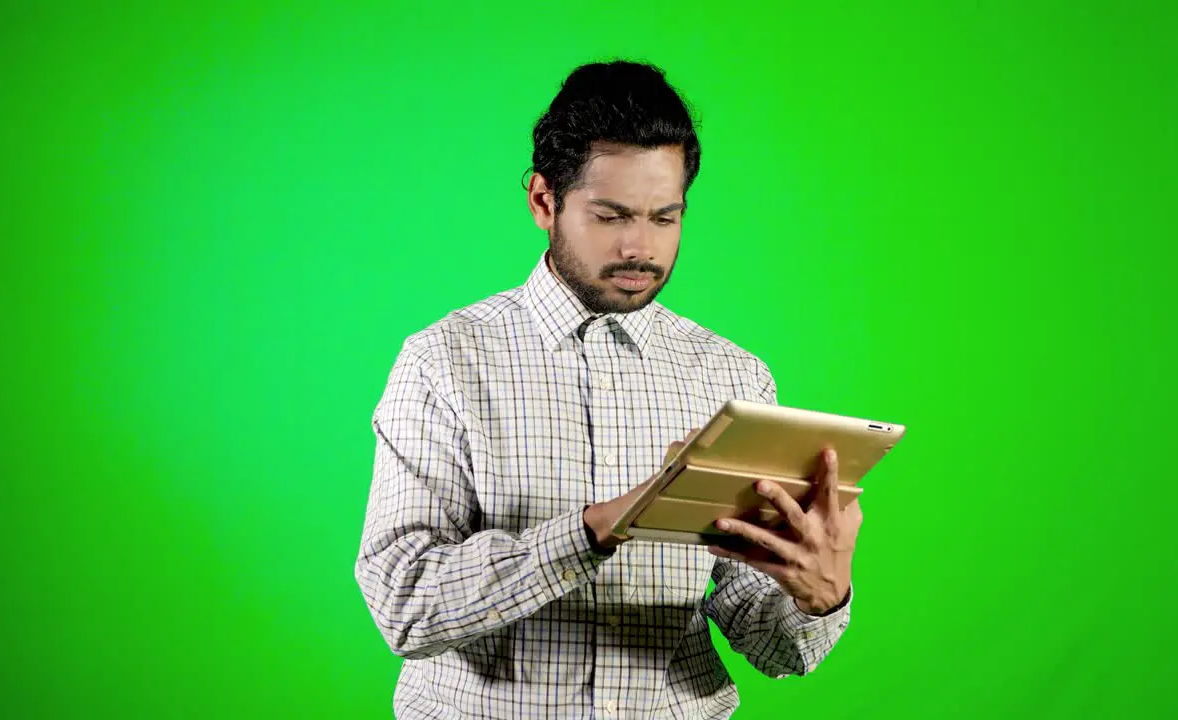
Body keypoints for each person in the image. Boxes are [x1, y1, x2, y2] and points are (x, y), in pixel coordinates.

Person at [354, 60, 862, 720]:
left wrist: (818, 599)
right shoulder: (443, 361)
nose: (640, 247)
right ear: (544, 201)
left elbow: (769, 645)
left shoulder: (736, 377)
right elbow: (405, 605)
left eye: (664, 217)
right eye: (612, 215)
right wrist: (597, 529)